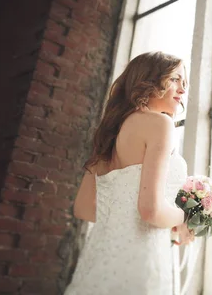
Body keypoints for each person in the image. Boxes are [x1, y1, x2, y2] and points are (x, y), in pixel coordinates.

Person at [64, 51, 195, 295]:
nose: (182, 89)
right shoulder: (160, 124)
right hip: (141, 259)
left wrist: (125, 221)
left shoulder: (110, 132)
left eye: (184, 83)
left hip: (101, 256)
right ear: (149, 79)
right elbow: (151, 211)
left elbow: (82, 207)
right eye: (175, 79)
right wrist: (184, 219)